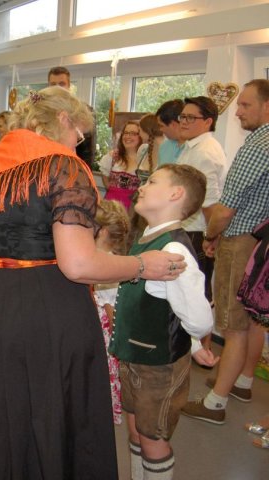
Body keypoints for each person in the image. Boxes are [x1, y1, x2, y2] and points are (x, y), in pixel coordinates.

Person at [0, 86, 188, 479]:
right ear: (63, 119)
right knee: (48, 411)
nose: (77, 143)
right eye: (79, 133)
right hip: (45, 307)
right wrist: (141, 265)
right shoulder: (64, 166)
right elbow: (78, 264)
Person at [109, 164, 219, 480]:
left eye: (153, 181)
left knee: (153, 439)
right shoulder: (147, 237)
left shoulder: (172, 248)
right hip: (135, 358)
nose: (142, 186)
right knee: (136, 430)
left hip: (158, 367)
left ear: (176, 194)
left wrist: (193, 340)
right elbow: (171, 306)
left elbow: (198, 317)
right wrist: (194, 343)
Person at [181, 79, 269, 425]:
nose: (238, 112)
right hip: (259, 240)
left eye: (246, 105)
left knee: (233, 327)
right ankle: (240, 382)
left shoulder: (257, 145)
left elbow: (225, 208)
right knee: (250, 319)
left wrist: (211, 235)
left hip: (240, 240)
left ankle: (215, 403)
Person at [175, 96, 227, 303]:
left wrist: (210, 237)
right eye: (182, 117)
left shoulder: (204, 152)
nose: (184, 122)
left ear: (208, 122)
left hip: (197, 233)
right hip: (188, 229)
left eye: (191, 118)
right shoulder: (193, 147)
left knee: (197, 297)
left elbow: (209, 202)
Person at [93, 199, 130, 425]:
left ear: (101, 231)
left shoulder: (106, 264)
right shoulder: (112, 261)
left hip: (100, 339)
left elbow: (111, 312)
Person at [48, 65, 96, 168]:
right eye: (53, 84)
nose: (57, 88)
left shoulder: (83, 110)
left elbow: (88, 150)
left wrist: (84, 172)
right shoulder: (42, 110)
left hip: (74, 167)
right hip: (46, 167)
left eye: (62, 84)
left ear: (69, 85)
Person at [99, 120, 143, 210]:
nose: (128, 136)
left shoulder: (144, 159)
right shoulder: (113, 156)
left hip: (133, 209)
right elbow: (105, 180)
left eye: (133, 133)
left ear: (141, 136)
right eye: (125, 133)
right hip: (111, 207)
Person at [155, 99, 184, 165]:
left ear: (173, 125)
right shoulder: (164, 146)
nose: (160, 129)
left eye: (161, 126)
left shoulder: (192, 148)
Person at [137, 113, 164, 183]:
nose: (139, 134)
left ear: (147, 130)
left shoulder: (168, 151)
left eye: (140, 130)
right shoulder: (143, 149)